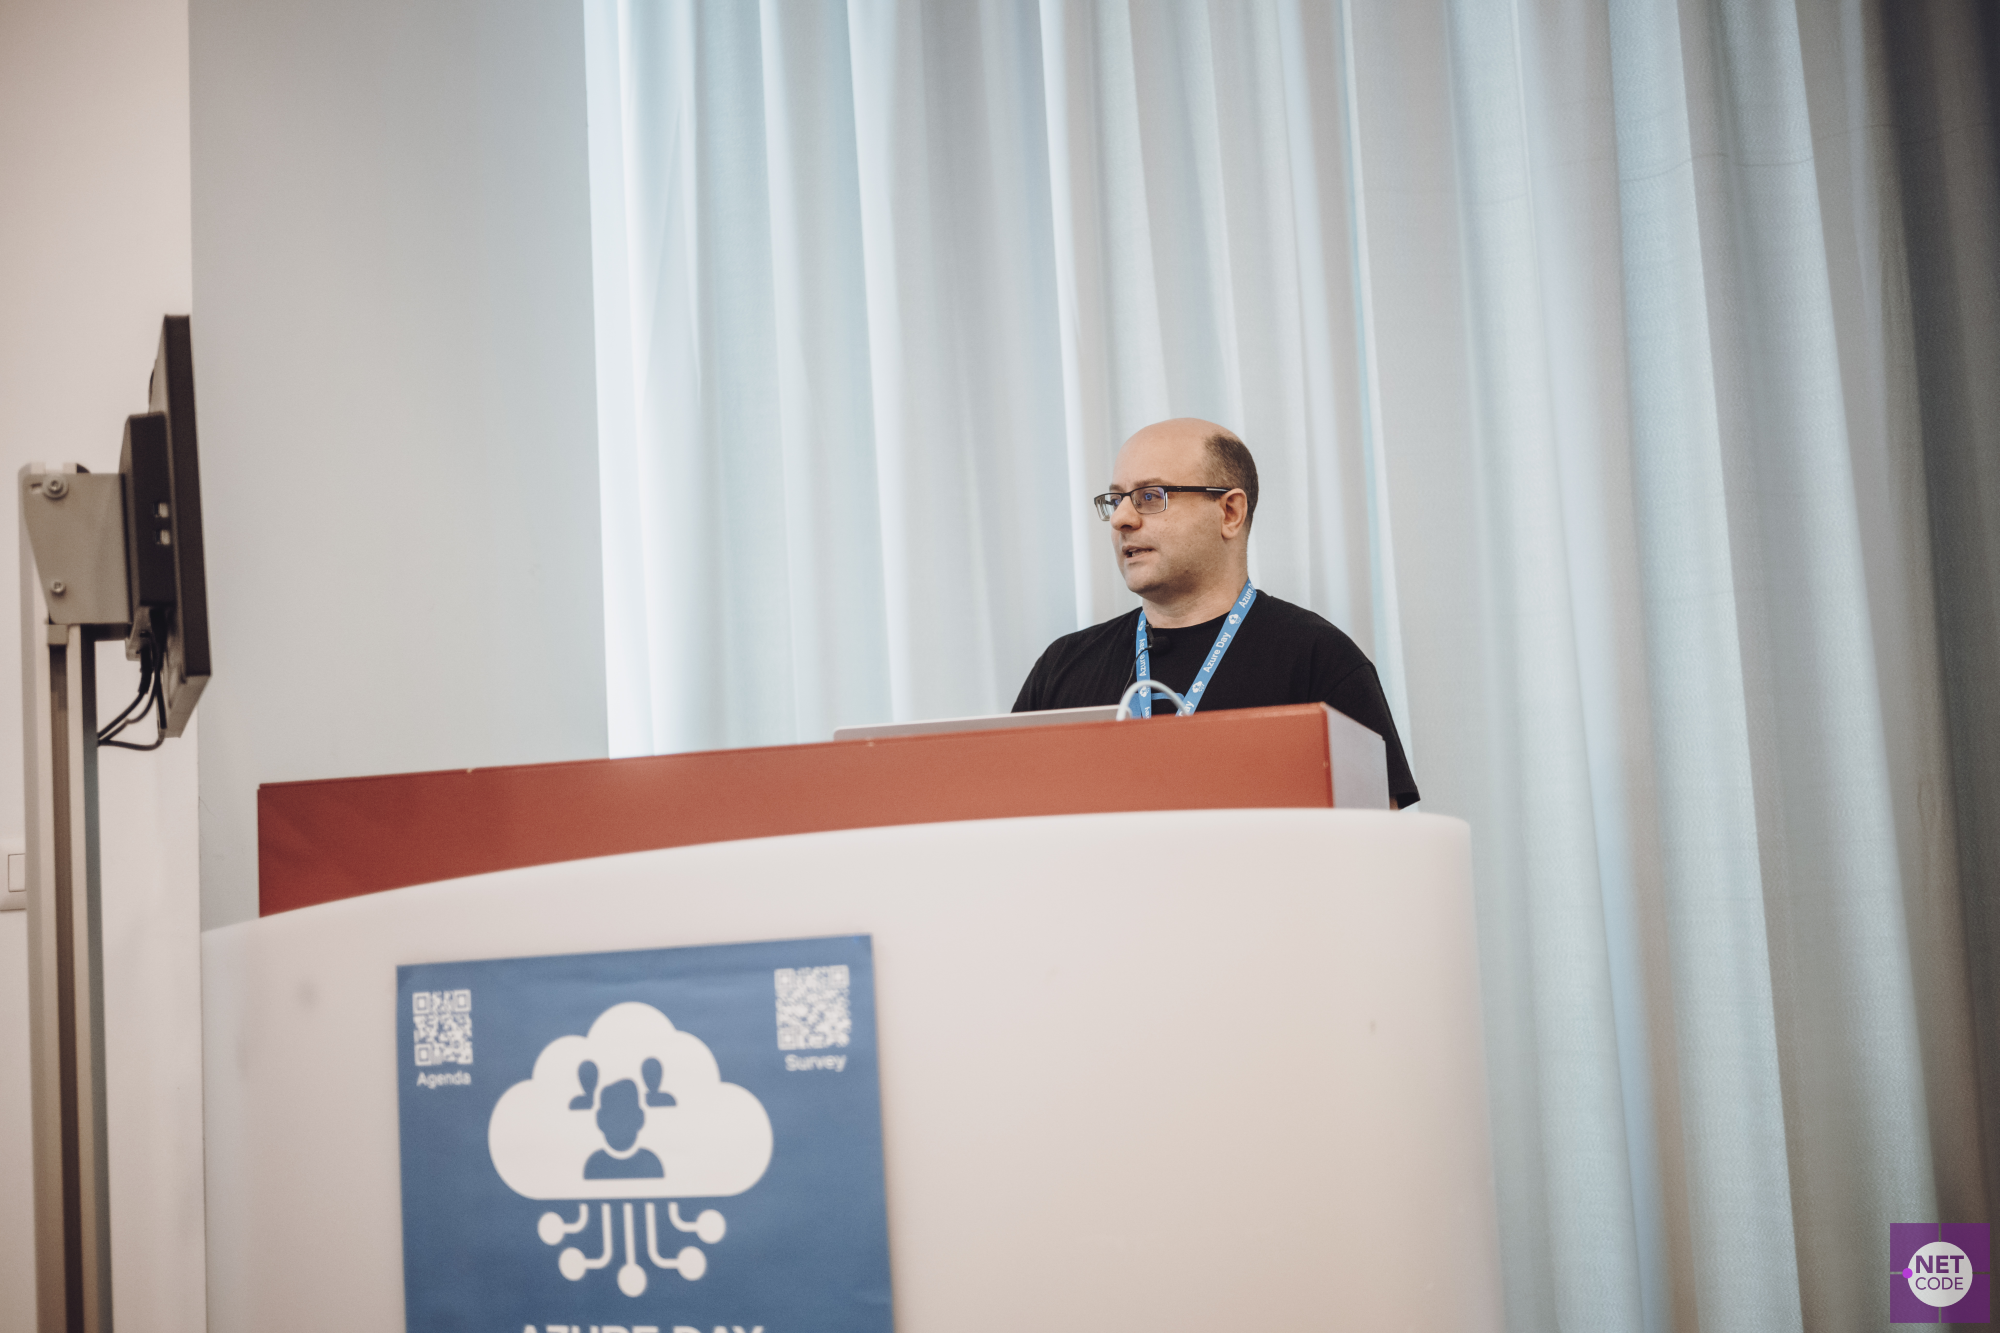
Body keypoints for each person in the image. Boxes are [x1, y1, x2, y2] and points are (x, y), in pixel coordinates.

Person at [1012, 418, 1419, 808]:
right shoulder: (1062, 666)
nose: (1121, 518)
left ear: (1230, 513)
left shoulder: (1319, 659)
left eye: (1150, 496)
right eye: (1116, 500)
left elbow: (1376, 840)